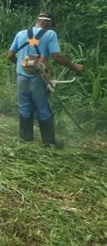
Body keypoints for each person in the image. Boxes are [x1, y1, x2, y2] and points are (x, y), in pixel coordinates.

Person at [7, 12, 84, 147]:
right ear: (47, 23)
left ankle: (25, 141)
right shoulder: (50, 35)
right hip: (38, 79)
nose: (50, 28)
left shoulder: (20, 34)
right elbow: (57, 56)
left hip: (21, 79)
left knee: (25, 108)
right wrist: (75, 67)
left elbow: (10, 55)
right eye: (51, 25)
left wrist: (22, 66)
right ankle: (49, 143)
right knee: (43, 109)